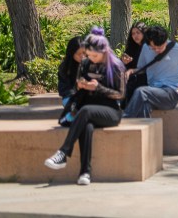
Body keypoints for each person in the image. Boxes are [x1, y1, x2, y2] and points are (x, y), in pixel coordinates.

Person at [44, 28, 125, 185]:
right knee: (86, 126)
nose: (89, 58)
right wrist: (82, 86)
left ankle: (63, 152)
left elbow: (120, 94)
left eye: (94, 55)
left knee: (85, 111)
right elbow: (79, 88)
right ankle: (85, 172)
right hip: (90, 109)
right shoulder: (87, 65)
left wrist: (98, 88)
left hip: (111, 112)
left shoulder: (116, 67)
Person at [123, 25, 178, 119]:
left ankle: (124, 120)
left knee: (141, 91)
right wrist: (131, 71)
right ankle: (146, 132)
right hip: (153, 91)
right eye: (153, 48)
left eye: (160, 47)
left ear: (165, 41)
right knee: (143, 107)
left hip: (171, 93)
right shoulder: (145, 48)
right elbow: (141, 69)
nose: (157, 50)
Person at [56, 36, 85, 118]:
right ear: (71, 53)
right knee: (73, 105)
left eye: (84, 53)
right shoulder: (65, 67)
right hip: (70, 97)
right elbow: (64, 89)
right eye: (79, 54)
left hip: (87, 96)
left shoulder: (90, 64)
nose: (82, 56)